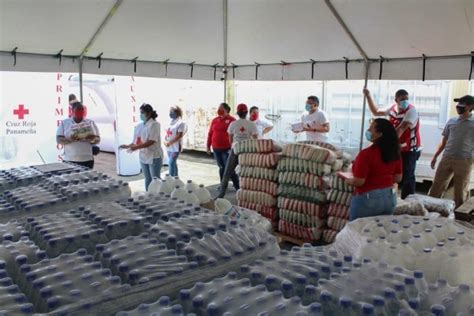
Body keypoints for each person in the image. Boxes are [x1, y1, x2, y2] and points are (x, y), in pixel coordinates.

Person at [364, 88, 422, 199]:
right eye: (402, 99)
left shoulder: (411, 111)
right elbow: (376, 112)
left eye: (406, 99)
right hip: (397, 147)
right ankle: (392, 198)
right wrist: (368, 96)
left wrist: (385, 143)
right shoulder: (392, 109)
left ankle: (409, 203)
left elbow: (401, 129)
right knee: (394, 175)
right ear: (396, 100)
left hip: (409, 149)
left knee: (407, 177)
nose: (405, 101)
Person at [342, 118, 403, 221]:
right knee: (380, 232)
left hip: (368, 199)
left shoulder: (366, 154)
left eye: (371, 129)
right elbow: (398, 178)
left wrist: (347, 180)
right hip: (389, 197)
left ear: (379, 134)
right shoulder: (395, 153)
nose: (368, 131)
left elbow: (359, 182)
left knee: (358, 233)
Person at [429, 95, 474, 208]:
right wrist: (435, 156)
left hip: (464, 161)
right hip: (447, 158)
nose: (458, 106)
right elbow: (444, 141)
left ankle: (460, 217)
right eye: (458, 104)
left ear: (471, 106)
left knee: (460, 191)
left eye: (462, 104)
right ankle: (430, 210)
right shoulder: (451, 121)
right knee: (437, 186)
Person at [216, 103, 258, 199]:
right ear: (247, 113)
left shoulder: (233, 124)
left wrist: (233, 146)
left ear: (238, 113)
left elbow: (230, 138)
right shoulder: (251, 124)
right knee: (247, 173)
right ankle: (247, 194)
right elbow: (255, 139)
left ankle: (221, 194)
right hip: (247, 151)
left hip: (235, 150)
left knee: (227, 172)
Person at [120, 104, 162, 191]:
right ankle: (148, 195)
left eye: (143, 112)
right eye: (140, 112)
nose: (141, 115)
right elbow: (136, 142)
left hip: (154, 156)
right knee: (147, 178)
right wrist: (127, 146)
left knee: (155, 180)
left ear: (149, 113)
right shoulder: (140, 126)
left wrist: (135, 148)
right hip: (143, 156)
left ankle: (158, 196)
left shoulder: (154, 125)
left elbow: (151, 141)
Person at [56, 101, 100, 169]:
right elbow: (59, 140)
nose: (81, 111)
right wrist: (70, 140)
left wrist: (92, 139)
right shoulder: (65, 123)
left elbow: (98, 139)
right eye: (78, 110)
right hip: (70, 159)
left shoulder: (90, 122)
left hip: (87, 159)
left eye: (82, 109)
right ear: (72, 111)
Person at [207, 103, 239, 187]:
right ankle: (223, 185)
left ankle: (237, 186)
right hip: (216, 148)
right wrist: (208, 146)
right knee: (221, 167)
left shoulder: (232, 120)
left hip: (227, 148)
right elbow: (210, 134)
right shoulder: (215, 120)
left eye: (221, 109)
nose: (219, 110)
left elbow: (236, 134)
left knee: (229, 168)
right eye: (218, 108)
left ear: (227, 110)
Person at [164, 106, 187, 177]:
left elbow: (179, 135)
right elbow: (167, 133)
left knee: (171, 162)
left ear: (177, 112)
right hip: (168, 146)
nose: (170, 113)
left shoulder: (181, 123)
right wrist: (165, 140)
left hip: (176, 147)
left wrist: (170, 142)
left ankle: (170, 179)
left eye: (172, 111)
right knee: (173, 163)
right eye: (170, 112)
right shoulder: (170, 122)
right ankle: (176, 178)